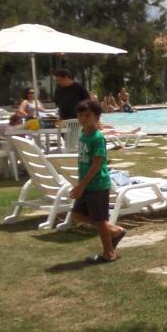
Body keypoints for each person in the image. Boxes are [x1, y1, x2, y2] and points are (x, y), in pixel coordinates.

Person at [70, 99, 126, 263]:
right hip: (86, 184)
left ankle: (109, 253)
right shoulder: (82, 136)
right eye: (80, 115)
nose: (83, 118)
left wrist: (81, 186)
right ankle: (115, 231)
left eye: (88, 115)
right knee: (78, 215)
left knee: (100, 221)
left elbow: (96, 164)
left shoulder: (97, 138)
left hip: (97, 185)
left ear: (97, 117)